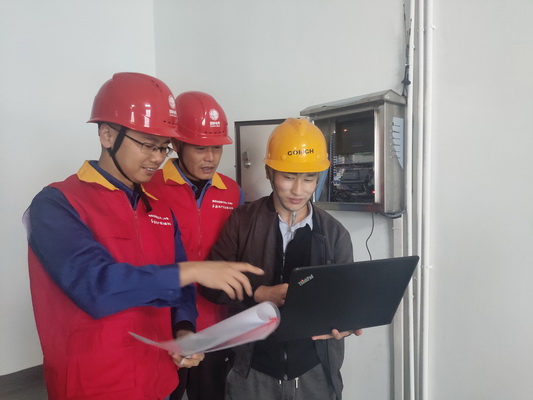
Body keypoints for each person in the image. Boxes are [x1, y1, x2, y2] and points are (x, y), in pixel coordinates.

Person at [23, 72, 262, 400]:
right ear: (107, 135)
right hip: (92, 385)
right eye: (148, 145)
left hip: (157, 379)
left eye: (163, 147)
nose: (157, 158)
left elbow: (180, 291)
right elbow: (94, 285)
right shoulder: (57, 204)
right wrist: (194, 270)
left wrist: (184, 330)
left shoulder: (158, 208)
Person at [203, 118, 362, 400]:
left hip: (315, 371)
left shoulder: (335, 233)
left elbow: (345, 299)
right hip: (251, 368)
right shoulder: (241, 222)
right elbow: (210, 285)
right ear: (269, 172)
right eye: (288, 177)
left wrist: (346, 323)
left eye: (308, 178)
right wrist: (258, 293)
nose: (298, 190)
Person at [145, 91, 243, 400]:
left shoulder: (232, 192)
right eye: (201, 148)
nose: (210, 157)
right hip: (165, 325)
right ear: (176, 144)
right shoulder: (149, 187)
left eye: (217, 148)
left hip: (216, 325)